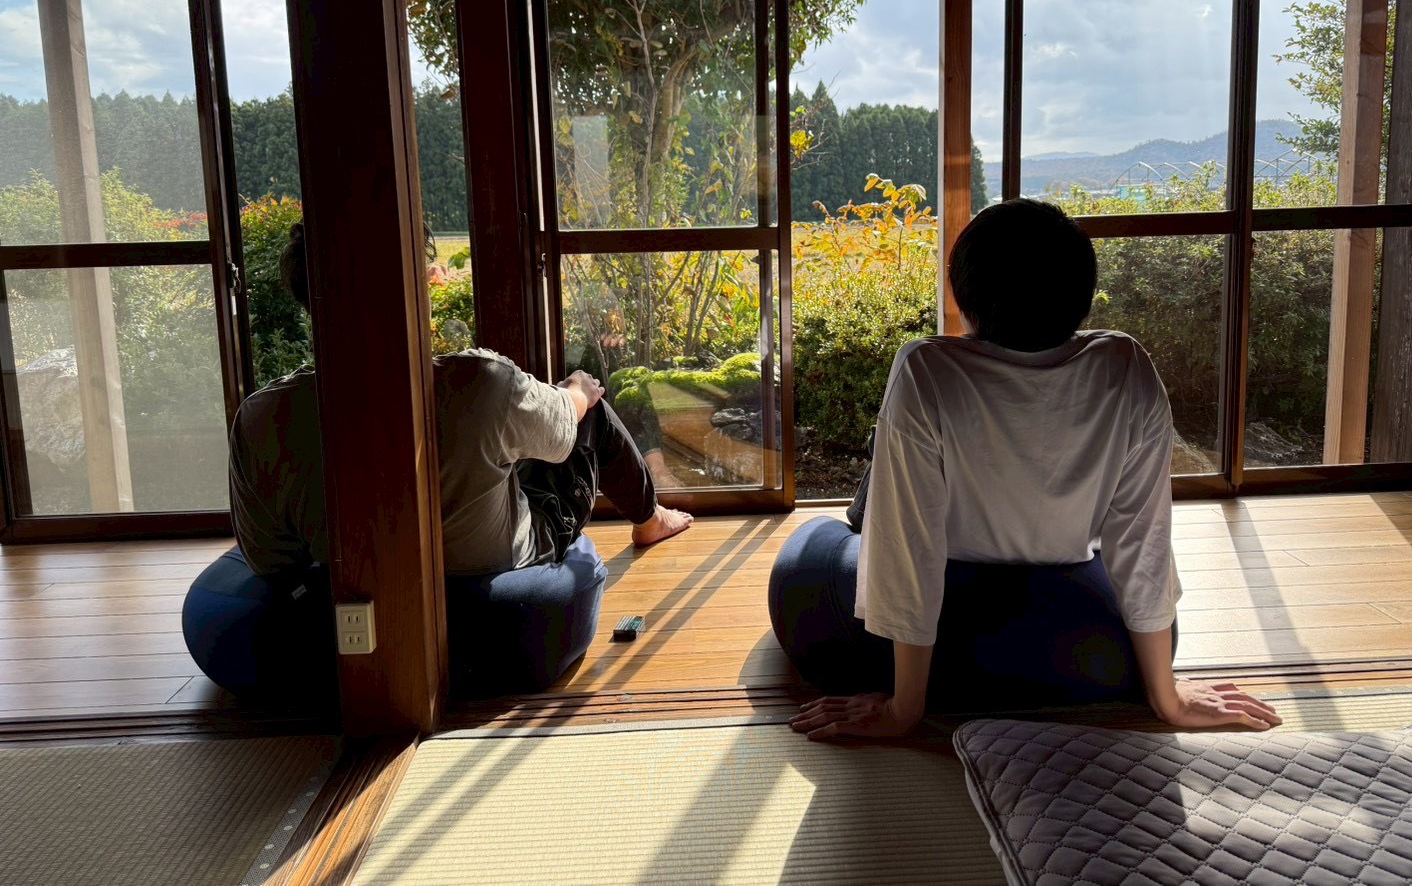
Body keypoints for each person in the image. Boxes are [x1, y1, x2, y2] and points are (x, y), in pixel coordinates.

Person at [771, 199, 1282, 740]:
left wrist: (905, 708)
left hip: (942, 643)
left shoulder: (927, 368)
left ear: (964, 293)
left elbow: (908, 548)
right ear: (1083, 294)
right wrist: (1166, 695)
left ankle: (869, 532)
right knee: (1134, 607)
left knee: (812, 545)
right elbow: (1141, 541)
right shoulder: (1126, 366)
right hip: (1083, 650)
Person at [228, 221, 693, 582]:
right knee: (589, 413)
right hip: (496, 561)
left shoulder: (262, 415)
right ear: (415, 284)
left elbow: (268, 559)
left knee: (504, 440)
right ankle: (650, 519)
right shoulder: (478, 381)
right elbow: (560, 432)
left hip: (353, 584)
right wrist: (578, 390)